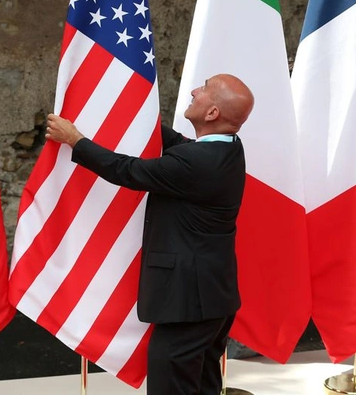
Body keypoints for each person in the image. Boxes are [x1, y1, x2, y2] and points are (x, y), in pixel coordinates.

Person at [45, 73, 255, 395]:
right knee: (203, 385)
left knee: (171, 387)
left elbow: (127, 170)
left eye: (204, 89)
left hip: (188, 303)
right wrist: (133, 108)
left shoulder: (196, 163)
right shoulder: (228, 148)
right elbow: (178, 143)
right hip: (213, 297)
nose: (195, 90)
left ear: (213, 114)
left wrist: (75, 139)